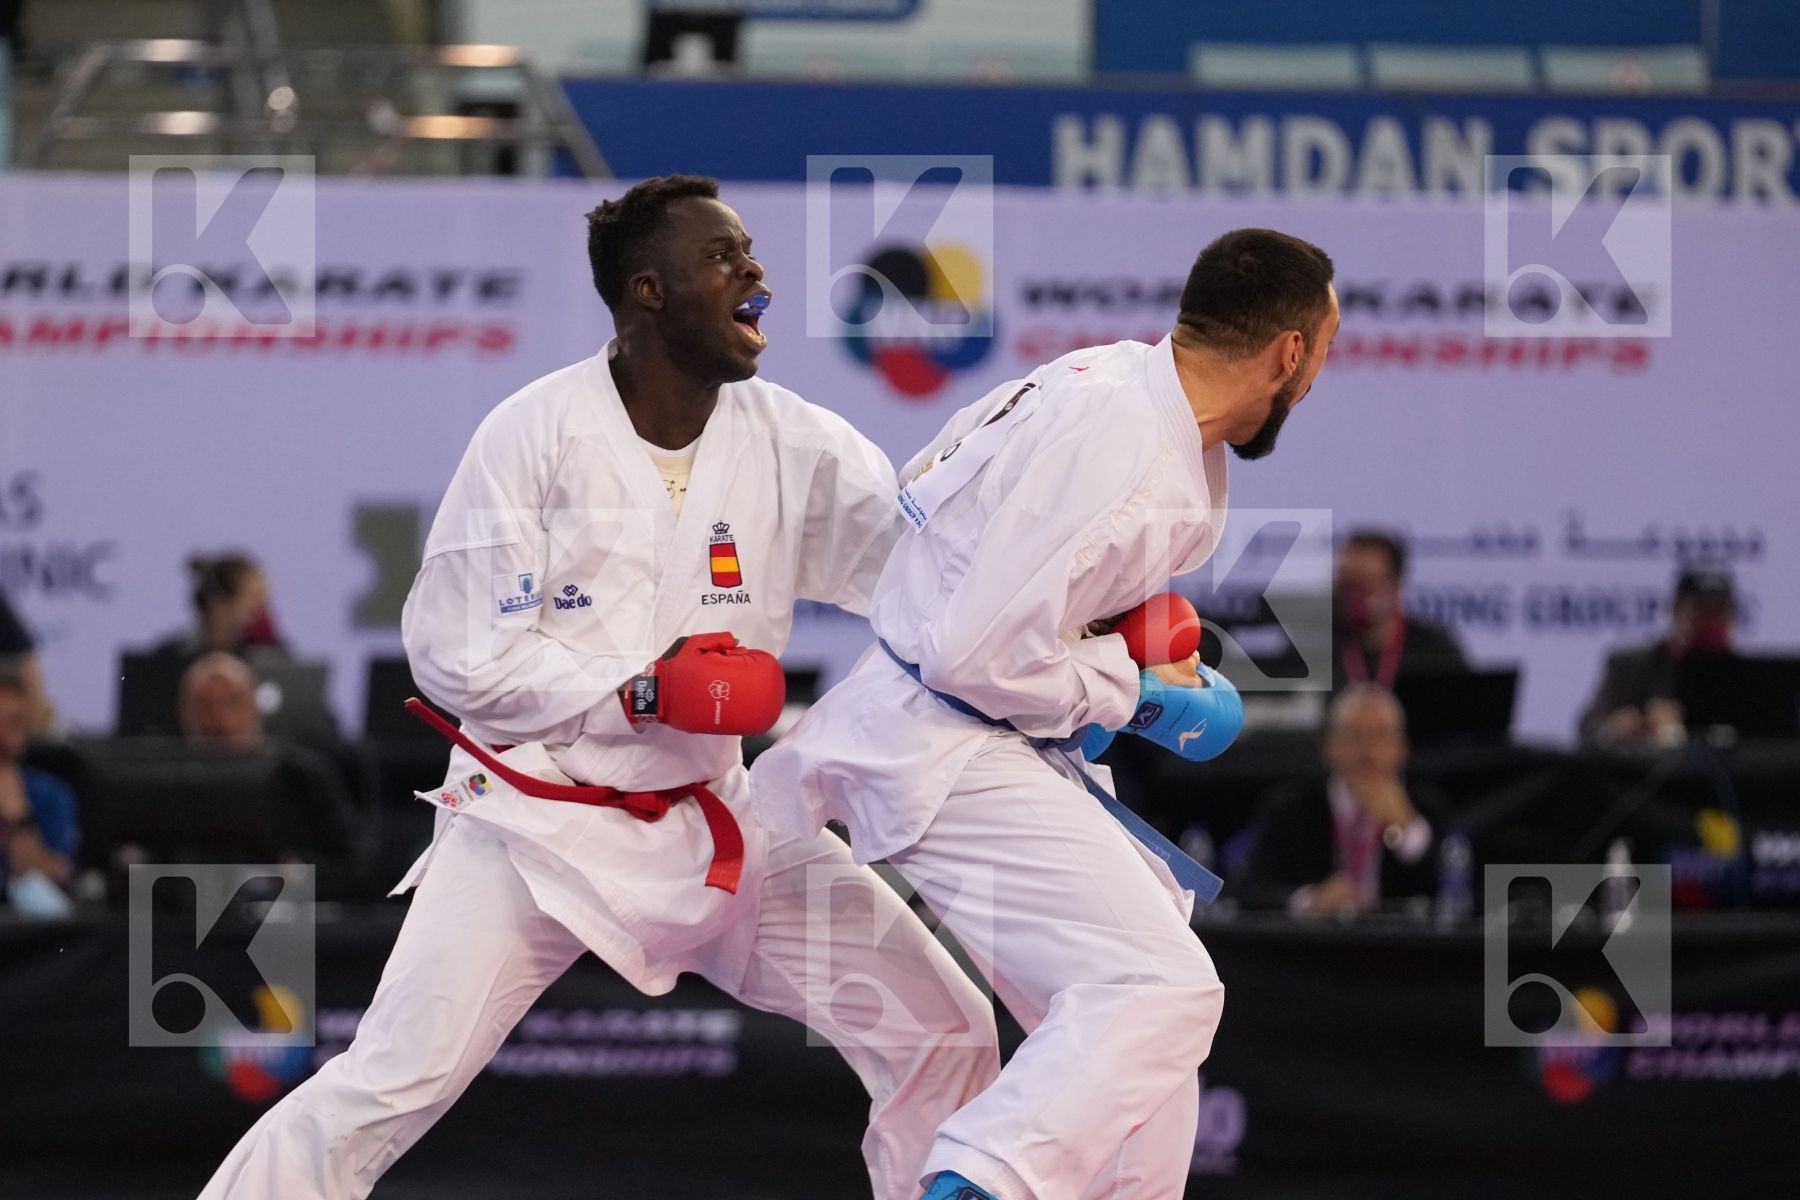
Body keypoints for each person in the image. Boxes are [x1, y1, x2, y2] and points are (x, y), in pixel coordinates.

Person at [199, 175, 998, 1200]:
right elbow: (454, 652)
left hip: (717, 826)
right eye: (724, 256)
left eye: (751, 251)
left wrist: (1078, 621)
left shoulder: (793, 438)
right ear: (648, 291)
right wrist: (641, 693)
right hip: (538, 831)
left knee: (943, 1025)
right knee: (387, 1083)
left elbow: (922, 577)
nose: (755, 272)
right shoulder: (534, 434)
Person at [754, 228, 1340, 1200]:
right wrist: (1136, 691)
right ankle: (982, 1181)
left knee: (1144, 1072)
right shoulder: (1119, 436)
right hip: (944, 742)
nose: (1317, 379)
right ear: (1290, 351)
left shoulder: (1113, 390)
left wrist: (1107, 650)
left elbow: (953, 538)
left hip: (985, 736)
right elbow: (966, 650)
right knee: (1161, 988)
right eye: (1323, 353)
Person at [1234, 684, 1446, 916]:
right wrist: (1309, 901)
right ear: (1328, 745)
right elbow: (1251, 891)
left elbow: (1452, 892)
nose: (1368, 750)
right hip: (1314, 943)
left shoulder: (1427, 806)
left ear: (1402, 747)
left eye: (1381, 736)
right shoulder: (1287, 808)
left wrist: (1407, 829)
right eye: (1355, 735)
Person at [175, 652, 358, 883]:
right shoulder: (163, 787)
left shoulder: (304, 777)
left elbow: (356, 869)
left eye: (233, 702)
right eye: (204, 705)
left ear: (256, 707)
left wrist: (301, 876)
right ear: (184, 714)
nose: (220, 721)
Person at [1578, 565, 1736, 747]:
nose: (1709, 622)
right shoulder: (1631, 667)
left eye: (1718, 612)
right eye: (1701, 611)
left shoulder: (1746, 677)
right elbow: (1589, 728)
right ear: (1676, 610)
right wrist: (1617, 728)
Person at [1333, 529, 1469, 689]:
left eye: (1364, 584)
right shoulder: (1314, 651)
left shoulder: (1434, 652)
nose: (1353, 596)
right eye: (1346, 585)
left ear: (1395, 585)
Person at [0, 670, 79, 913]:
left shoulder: (48, 794)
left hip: (26, 932)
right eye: (8, 721)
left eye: (19, 721)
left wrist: (18, 815)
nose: (15, 730)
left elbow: (46, 881)